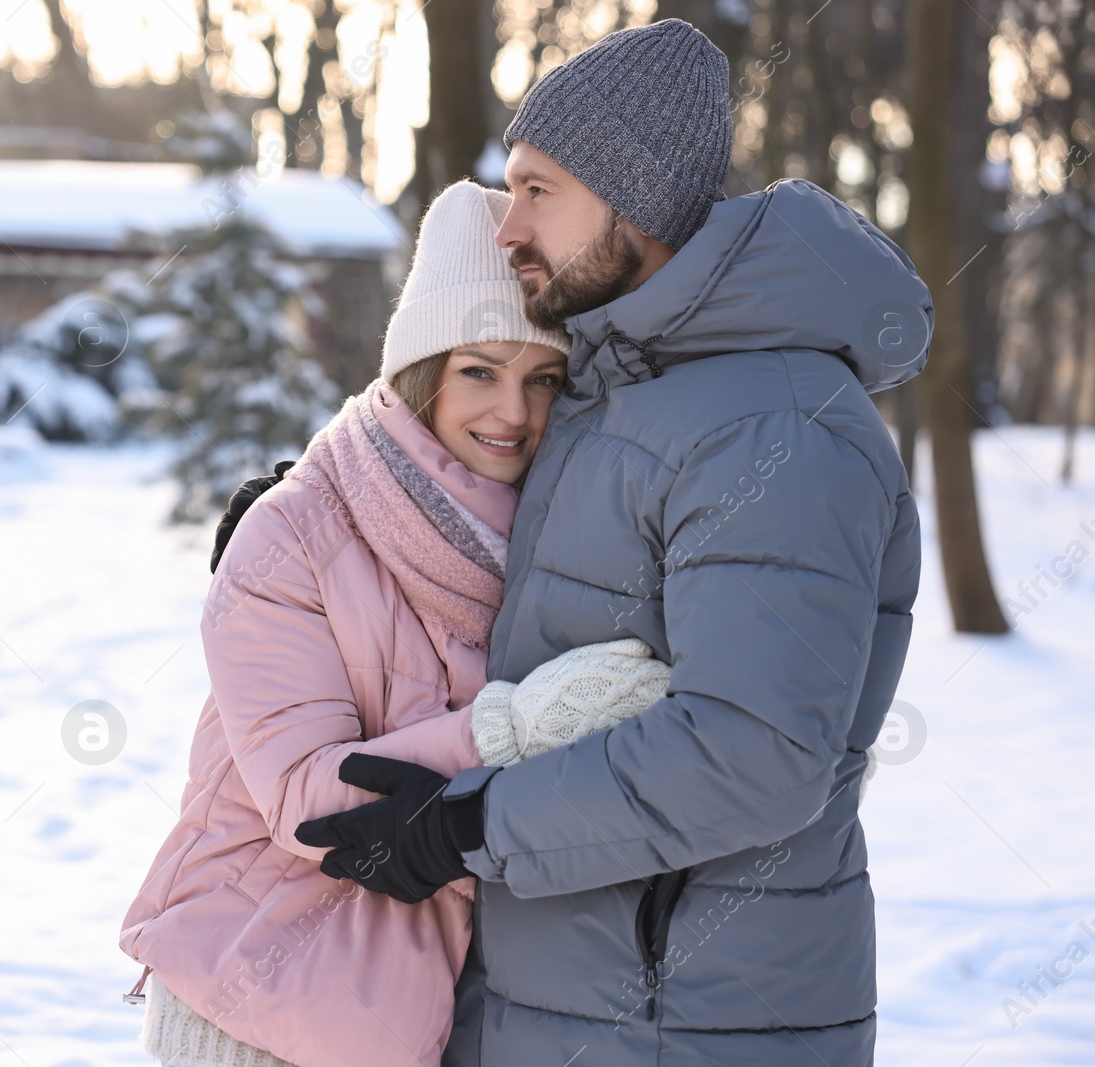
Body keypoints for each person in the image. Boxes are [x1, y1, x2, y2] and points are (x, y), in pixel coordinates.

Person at [286, 19, 932, 1066]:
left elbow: (750, 752)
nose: (507, 225)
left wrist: (468, 825)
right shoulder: (615, 384)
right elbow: (466, 507)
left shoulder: (773, 423)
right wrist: (316, 505)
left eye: (537, 188)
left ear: (628, 198)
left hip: (686, 1021)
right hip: (565, 998)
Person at [120, 178, 682, 1067]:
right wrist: (517, 727)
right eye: (479, 372)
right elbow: (308, 800)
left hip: (410, 1022)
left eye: (543, 379)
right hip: (255, 1013)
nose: (513, 413)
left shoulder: (551, 538)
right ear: (421, 372)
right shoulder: (293, 529)